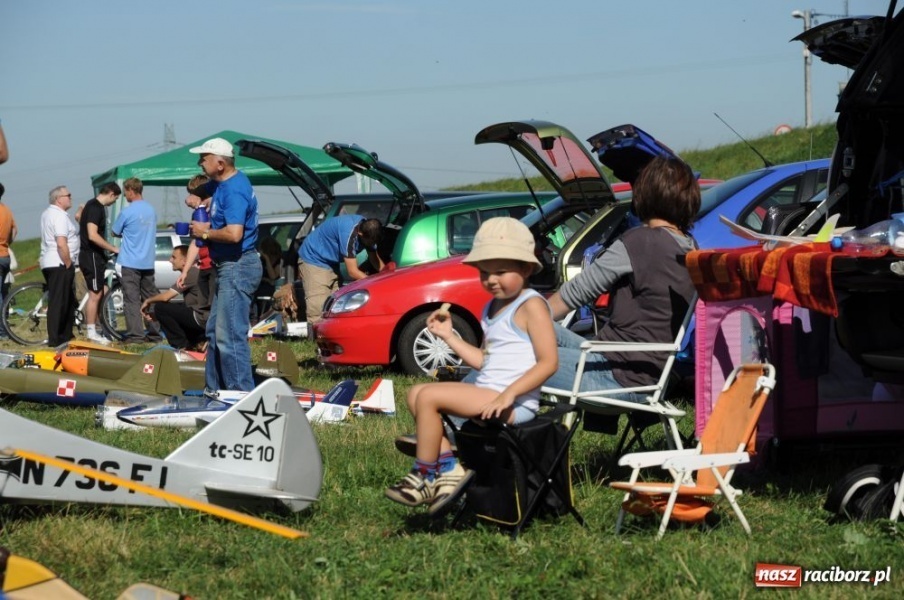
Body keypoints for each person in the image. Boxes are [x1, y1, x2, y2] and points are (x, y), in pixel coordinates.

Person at [385, 217, 558, 516]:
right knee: (415, 393)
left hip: (514, 402)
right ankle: (449, 469)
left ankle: (425, 475)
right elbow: (484, 361)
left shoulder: (532, 305)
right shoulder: (491, 309)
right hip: (490, 391)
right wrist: (448, 336)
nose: (491, 280)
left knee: (429, 398)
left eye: (501, 271)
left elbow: (549, 362)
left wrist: (507, 395)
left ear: (527, 268)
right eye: (484, 273)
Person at [543, 155, 700, 397]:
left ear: (644, 193)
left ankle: (465, 426)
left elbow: (575, 293)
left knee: (510, 356)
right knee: (523, 322)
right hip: (648, 374)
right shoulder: (690, 247)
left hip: (614, 375)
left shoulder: (641, 241)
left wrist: (523, 321)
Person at [188, 137, 261, 392]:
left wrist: (204, 233)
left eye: (203, 159)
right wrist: (197, 196)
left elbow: (234, 234)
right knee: (214, 333)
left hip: (238, 265)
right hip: (228, 266)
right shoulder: (222, 183)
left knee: (229, 335)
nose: (200, 163)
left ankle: (240, 396)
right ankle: (215, 390)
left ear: (220, 163)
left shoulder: (234, 191)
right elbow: (206, 189)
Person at [297, 214, 384, 326]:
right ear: (360, 233)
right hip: (314, 259)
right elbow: (352, 272)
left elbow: (375, 260)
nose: (371, 245)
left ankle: (331, 340)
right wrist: (375, 283)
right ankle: (314, 341)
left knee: (336, 307)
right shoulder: (349, 234)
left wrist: (388, 275)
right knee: (318, 307)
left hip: (331, 262)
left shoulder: (370, 231)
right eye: (369, 243)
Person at [112, 177, 162, 344]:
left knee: (132, 299)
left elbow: (115, 231)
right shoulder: (151, 210)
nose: (125, 195)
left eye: (126, 192)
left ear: (131, 191)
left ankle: (136, 335)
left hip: (130, 261)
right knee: (151, 298)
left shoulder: (127, 211)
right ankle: (155, 333)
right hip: (147, 261)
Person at [140, 245, 209, 350]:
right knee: (174, 307)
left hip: (201, 318)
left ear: (185, 261)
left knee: (160, 307)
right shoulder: (194, 272)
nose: (170, 260)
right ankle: (198, 341)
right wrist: (159, 317)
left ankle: (181, 346)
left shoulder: (191, 273)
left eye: (174, 257)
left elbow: (165, 297)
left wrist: (148, 300)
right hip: (202, 318)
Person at [78, 182, 121, 345]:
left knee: (102, 290)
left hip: (95, 256)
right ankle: (91, 332)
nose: (114, 202)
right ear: (110, 194)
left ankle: (100, 326)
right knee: (95, 294)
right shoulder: (96, 207)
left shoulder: (90, 205)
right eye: (115, 199)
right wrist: (113, 248)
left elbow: (81, 220)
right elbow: (92, 235)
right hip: (92, 256)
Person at [39, 186, 79, 347]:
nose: (71, 197)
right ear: (58, 199)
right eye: (68, 195)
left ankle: (65, 334)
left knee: (66, 300)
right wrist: (68, 262)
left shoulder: (47, 213)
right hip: (59, 262)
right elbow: (61, 243)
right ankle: (56, 339)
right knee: (59, 301)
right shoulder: (59, 216)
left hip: (51, 261)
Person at [177, 174, 216, 303]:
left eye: (191, 193)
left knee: (213, 305)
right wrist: (185, 271)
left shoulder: (215, 209)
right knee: (204, 306)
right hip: (203, 266)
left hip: (214, 264)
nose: (189, 198)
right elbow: (195, 243)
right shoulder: (198, 213)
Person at [0, 182, 17, 337]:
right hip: (4, 255)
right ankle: (5, 326)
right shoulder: (6, 210)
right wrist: (6, 244)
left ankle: (2, 331)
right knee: (4, 293)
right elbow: (14, 230)